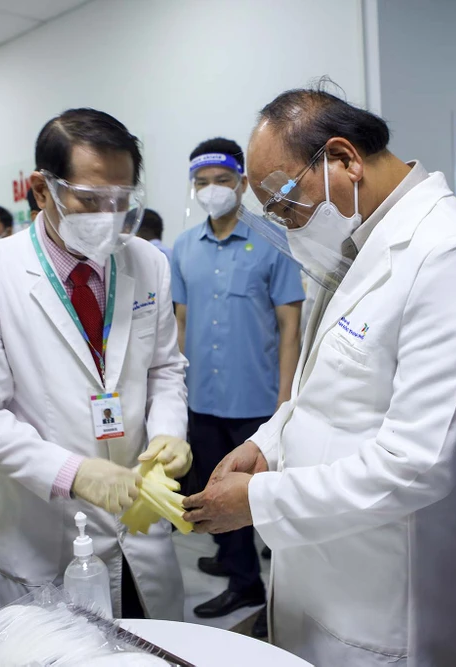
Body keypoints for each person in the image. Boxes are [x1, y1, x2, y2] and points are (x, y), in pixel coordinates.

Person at [183, 87, 456, 665]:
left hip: (385, 598)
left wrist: (260, 500)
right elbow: (321, 386)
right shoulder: (355, 242)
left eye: (285, 203)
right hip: (318, 571)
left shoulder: (453, 255)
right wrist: (265, 443)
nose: (287, 225)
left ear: (343, 159)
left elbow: (418, 464)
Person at [0, 108, 192, 622]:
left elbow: (164, 368)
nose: (109, 216)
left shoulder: (148, 262)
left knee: (151, 643)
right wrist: (71, 472)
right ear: (42, 190)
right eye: (90, 200)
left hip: (139, 529)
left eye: (121, 201)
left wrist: (170, 432)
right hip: (43, 536)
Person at [172, 137, 304, 632]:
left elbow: (290, 327)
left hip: (258, 402)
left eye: (222, 181)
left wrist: (286, 401)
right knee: (213, 492)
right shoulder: (184, 248)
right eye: (202, 182)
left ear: (242, 183)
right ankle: (241, 577)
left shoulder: (274, 241)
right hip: (203, 399)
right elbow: (180, 324)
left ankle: (278, 592)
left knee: (266, 503)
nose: (212, 190)